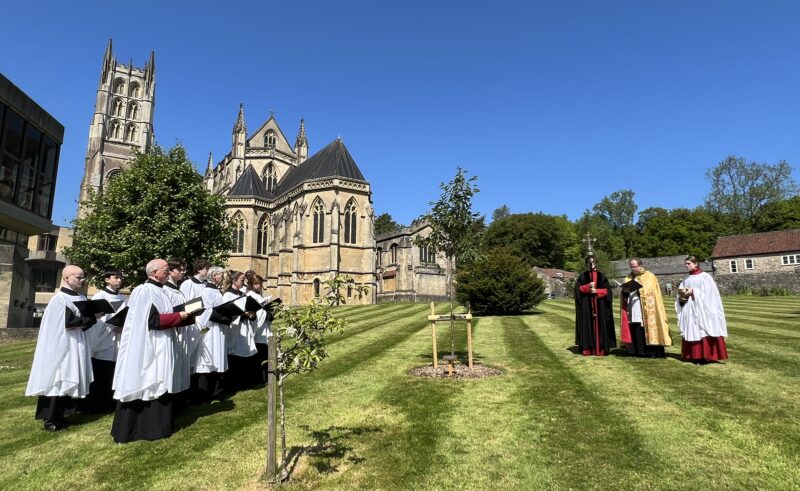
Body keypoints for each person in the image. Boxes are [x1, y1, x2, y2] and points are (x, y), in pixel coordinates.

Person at [111, 259, 191, 443]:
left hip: (161, 342)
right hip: (149, 344)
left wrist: (183, 316)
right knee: (148, 380)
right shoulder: (145, 290)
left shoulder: (160, 291)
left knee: (158, 381)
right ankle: (142, 429)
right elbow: (152, 321)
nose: (169, 272)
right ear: (155, 272)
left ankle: (157, 426)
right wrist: (178, 316)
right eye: (166, 269)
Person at [26, 265, 96, 431]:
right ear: (66, 278)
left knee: (70, 377)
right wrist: (88, 319)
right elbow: (66, 323)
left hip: (76, 341)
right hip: (62, 345)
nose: (82, 280)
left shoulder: (80, 297)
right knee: (59, 378)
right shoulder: (59, 299)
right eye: (78, 277)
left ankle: (62, 415)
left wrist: (91, 318)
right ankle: (51, 419)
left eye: (82, 277)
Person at [84, 270, 127, 412]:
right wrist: (110, 324)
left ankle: (110, 401)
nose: (120, 280)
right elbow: (97, 318)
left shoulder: (122, 297)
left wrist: (121, 323)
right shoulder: (100, 296)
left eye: (121, 278)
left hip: (117, 337)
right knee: (100, 372)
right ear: (107, 280)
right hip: (102, 337)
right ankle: (96, 404)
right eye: (116, 277)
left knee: (113, 371)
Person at [675, 256, 729, 363]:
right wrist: (682, 294)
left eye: (688, 263)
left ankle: (706, 356)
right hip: (689, 309)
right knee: (692, 329)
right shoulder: (686, 279)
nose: (686, 266)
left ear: (696, 264)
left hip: (702, 310)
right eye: (686, 264)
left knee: (702, 330)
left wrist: (694, 292)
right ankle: (693, 355)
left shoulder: (705, 277)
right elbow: (681, 295)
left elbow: (710, 295)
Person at [619, 258, 672, 358]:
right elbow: (624, 293)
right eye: (631, 267)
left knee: (644, 328)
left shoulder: (649, 276)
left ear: (640, 265)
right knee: (634, 327)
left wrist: (640, 291)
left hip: (645, 307)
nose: (633, 269)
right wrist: (625, 292)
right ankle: (635, 350)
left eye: (634, 267)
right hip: (632, 306)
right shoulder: (628, 277)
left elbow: (652, 292)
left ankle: (650, 352)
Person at [192, 266, 230, 402]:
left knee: (217, 357)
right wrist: (225, 317)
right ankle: (203, 394)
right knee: (207, 359)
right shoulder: (206, 291)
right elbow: (207, 310)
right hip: (209, 329)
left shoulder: (217, 291)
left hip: (218, 329)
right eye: (221, 275)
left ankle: (216, 391)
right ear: (214, 276)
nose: (223, 277)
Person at [574, 255, 615, 356]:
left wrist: (597, 291)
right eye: (589, 262)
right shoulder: (583, 276)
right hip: (587, 306)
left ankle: (600, 349)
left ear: (596, 263)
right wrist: (588, 287)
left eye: (593, 262)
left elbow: (608, 292)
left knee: (600, 325)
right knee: (587, 325)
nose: (591, 264)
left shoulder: (602, 276)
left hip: (600, 306)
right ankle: (588, 348)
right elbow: (577, 290)